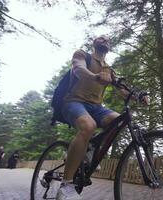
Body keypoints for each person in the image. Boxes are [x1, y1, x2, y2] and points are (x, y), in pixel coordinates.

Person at [56, 36, 148, 200]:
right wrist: (95, 76)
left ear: (109, 46)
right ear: (94, 43)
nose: (105, 39)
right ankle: (66, 185)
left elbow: (122, 90)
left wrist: (138, 97)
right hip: (73, 102)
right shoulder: (83, 55)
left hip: (96, 107)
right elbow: (78, 69)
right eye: (101, 38)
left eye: (108, 39)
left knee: (118, 121)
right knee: (88, 126)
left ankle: (90, 149)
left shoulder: (109, 69)